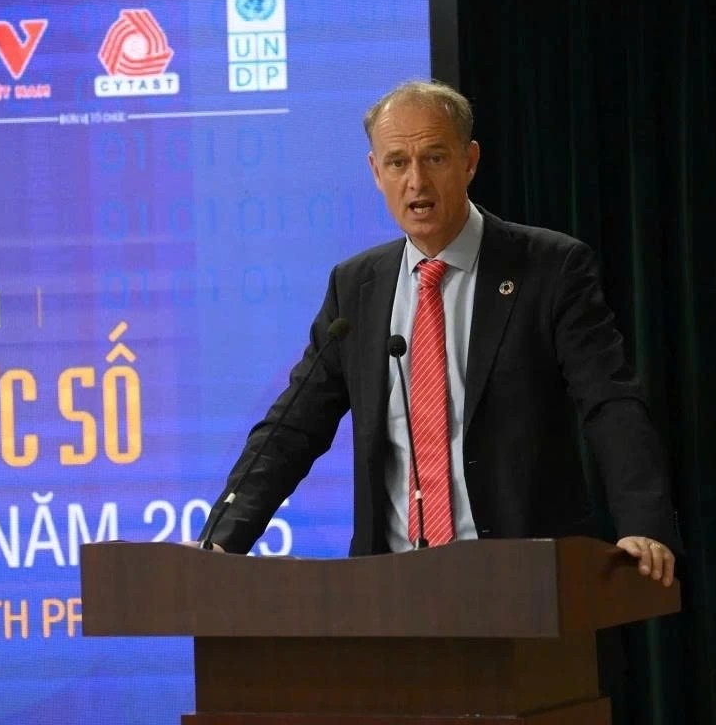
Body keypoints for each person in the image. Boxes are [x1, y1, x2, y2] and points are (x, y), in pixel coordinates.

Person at [198, 79, 681, 586]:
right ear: (375, 172)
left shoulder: (549, 268)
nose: (416, 182)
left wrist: (644, 524)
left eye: (434, 158)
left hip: (527, 581)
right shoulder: (356, 287)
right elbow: (293, 428)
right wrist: (221, 541)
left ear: (469, 161)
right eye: (397, 163)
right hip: (391, 591)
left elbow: (610, 402)